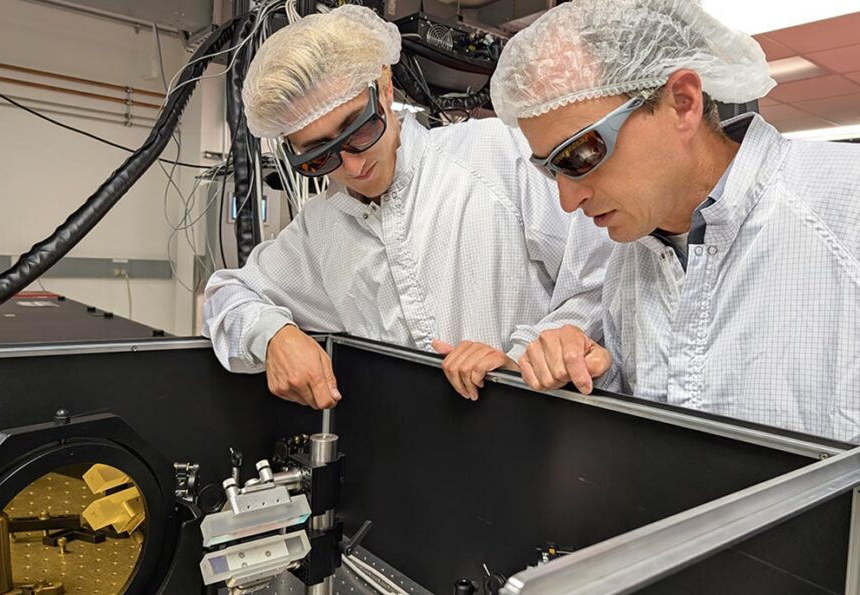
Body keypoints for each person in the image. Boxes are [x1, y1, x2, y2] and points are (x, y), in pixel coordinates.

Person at [203, 5, 611, 410]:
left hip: (540, 432)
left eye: (359, 129)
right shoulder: (320, 230)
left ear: (383, 86)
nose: (353, 166)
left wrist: (521, 360)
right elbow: (227, 296)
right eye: (319, 156)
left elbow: (601, 284)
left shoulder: (499, 155)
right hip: (405, 440)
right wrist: (273, 335)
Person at [490, 0, 860, 442]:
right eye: (551, 170)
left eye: (582, 154)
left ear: (682, 103)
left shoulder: (845, 209)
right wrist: (596, 381)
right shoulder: (631, 262)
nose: (568, 201)